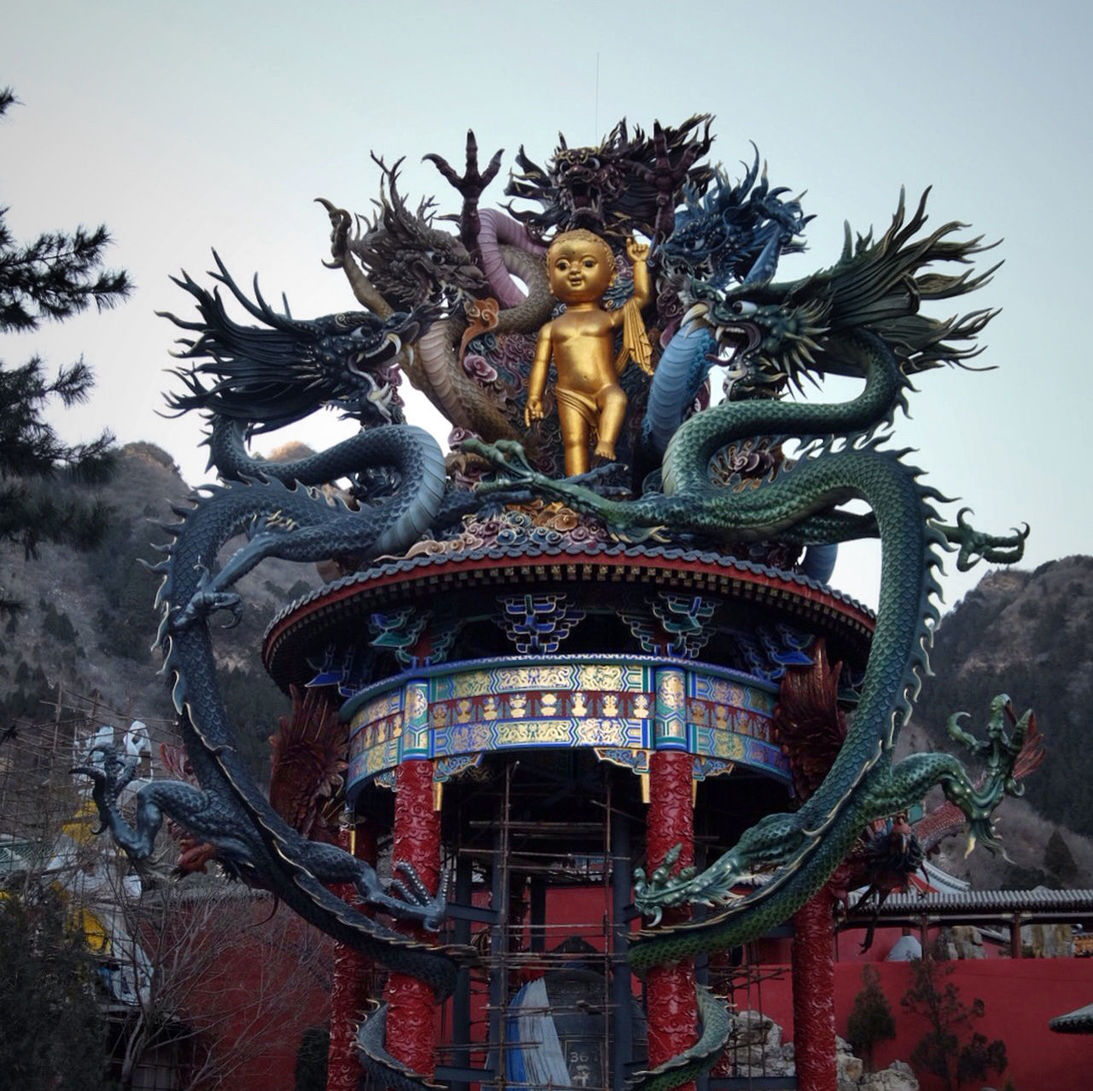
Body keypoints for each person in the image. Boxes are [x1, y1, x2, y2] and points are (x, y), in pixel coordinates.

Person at [525, 230, 652, 475]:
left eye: (588, 264)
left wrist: (639, 263)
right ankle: (577, 489)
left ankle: (606, 443)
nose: (574, 271)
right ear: (551, 282)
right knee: (574, 443)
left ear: (611, 277)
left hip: (604, 386)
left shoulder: (605, 320)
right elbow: (540, 364)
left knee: (617, 399)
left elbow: (641, 298)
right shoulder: (551, 328)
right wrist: (534, 397)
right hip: (568, 393)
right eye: (562, 266)